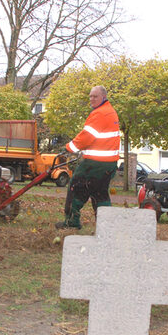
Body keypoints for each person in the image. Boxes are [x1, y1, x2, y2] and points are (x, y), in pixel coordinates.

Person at [56, 85, 121, 229]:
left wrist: (68, 148)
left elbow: (86, 137)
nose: (91, 99)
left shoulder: (99, 113)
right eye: (90, 96)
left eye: (95, 96)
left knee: (75, 187)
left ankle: (72, 221)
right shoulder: (111, 112)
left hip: (96, 163)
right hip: (109, 164)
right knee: (100, 193)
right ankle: (106, 226)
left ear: (103, 97)